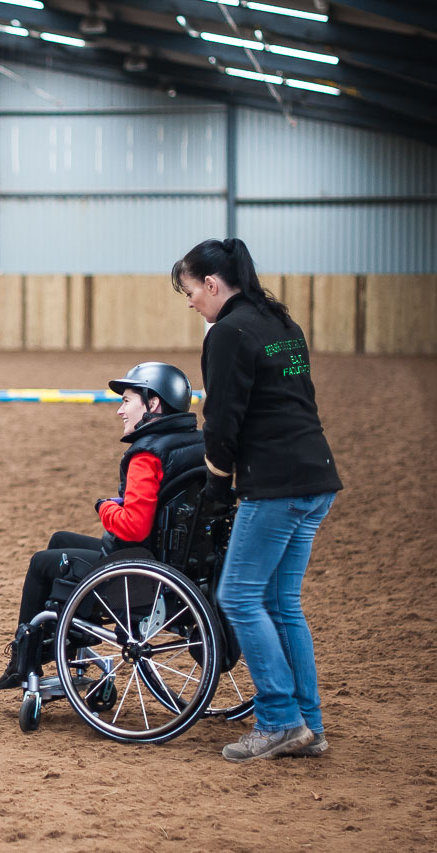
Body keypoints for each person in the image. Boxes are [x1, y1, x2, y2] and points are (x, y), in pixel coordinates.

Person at [172, 237, 341, 762]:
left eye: (190, 292)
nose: (191, 303)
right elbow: (300, 399)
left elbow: (221, 422)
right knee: (280, 603)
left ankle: (279, 720)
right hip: (316, 478)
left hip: (276, 485)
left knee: (240, 597)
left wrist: (218, 487)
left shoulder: (227, 333)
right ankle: (307, 723)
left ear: (213, 284)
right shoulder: (282, 323)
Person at [0, 362, 203, 690]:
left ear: (154, 404)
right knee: (60, 539)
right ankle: (61, 642)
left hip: (138, 572)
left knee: (41, 564)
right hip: (171, 560)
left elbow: (132, 527)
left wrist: (105, 507)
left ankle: (25, 658)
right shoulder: (192, 443)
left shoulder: (147, 454)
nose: (120, 411)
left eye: (127, 401)